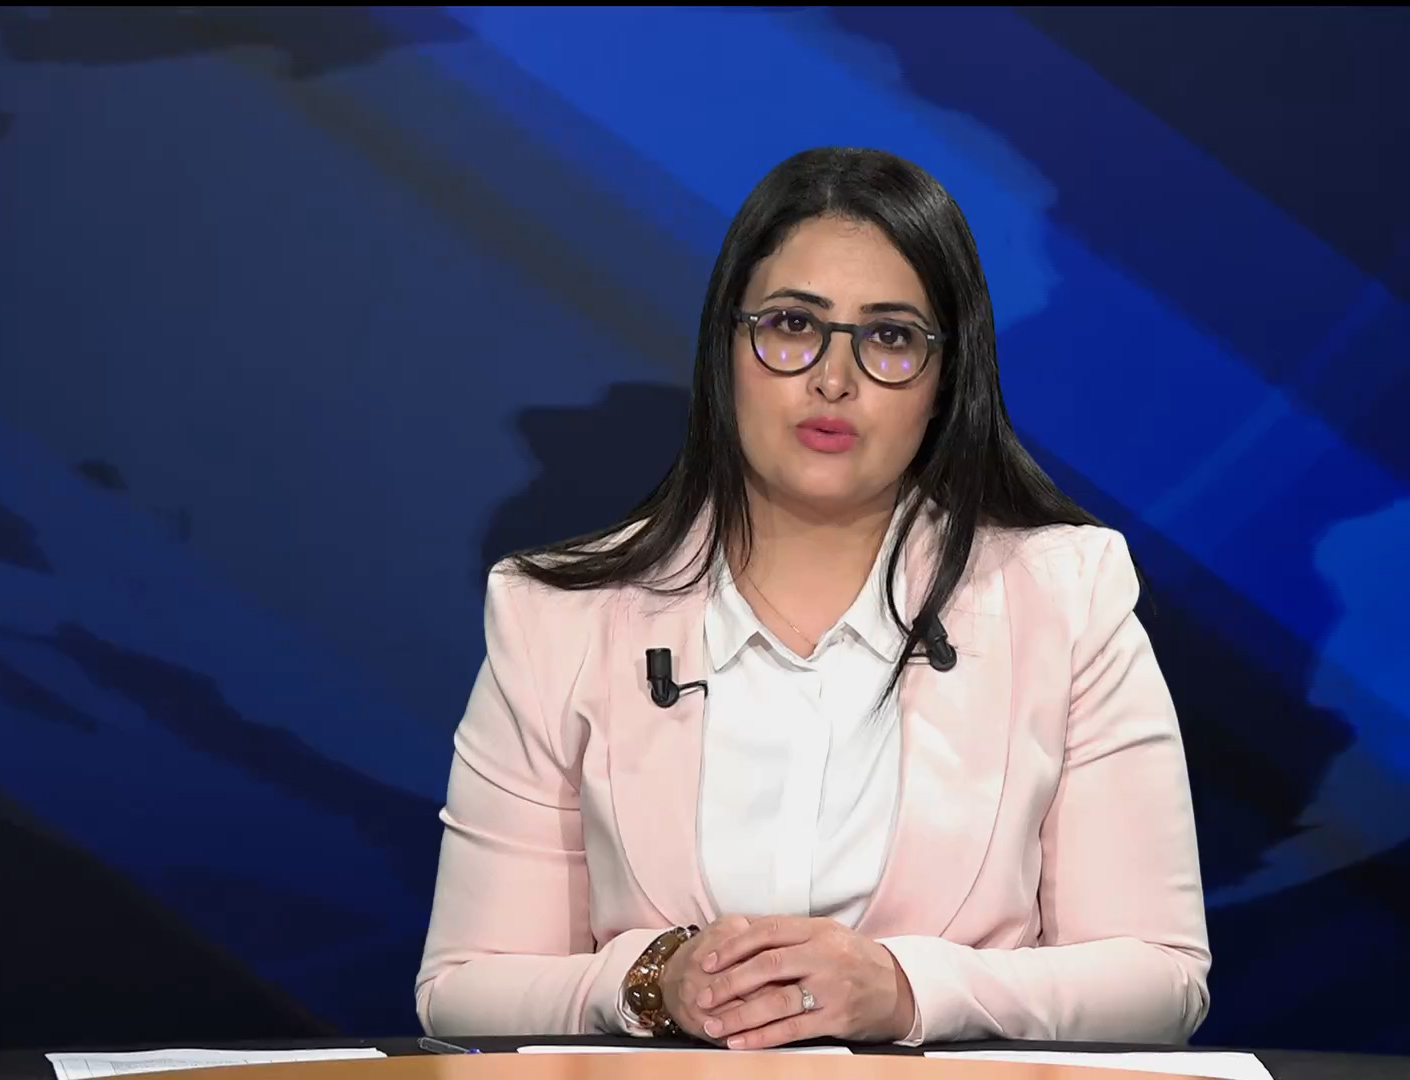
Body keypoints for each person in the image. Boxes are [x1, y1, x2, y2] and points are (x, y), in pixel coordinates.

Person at [415, 147, 1209, 1049]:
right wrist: (655, 979)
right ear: (726, 348)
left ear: (945, 381)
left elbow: (1158, 976)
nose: (834, 379)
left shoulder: (1063, 598)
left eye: (890, 337)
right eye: (793, 324)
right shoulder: (558, 616)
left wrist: (904, 989)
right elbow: (465, 986)